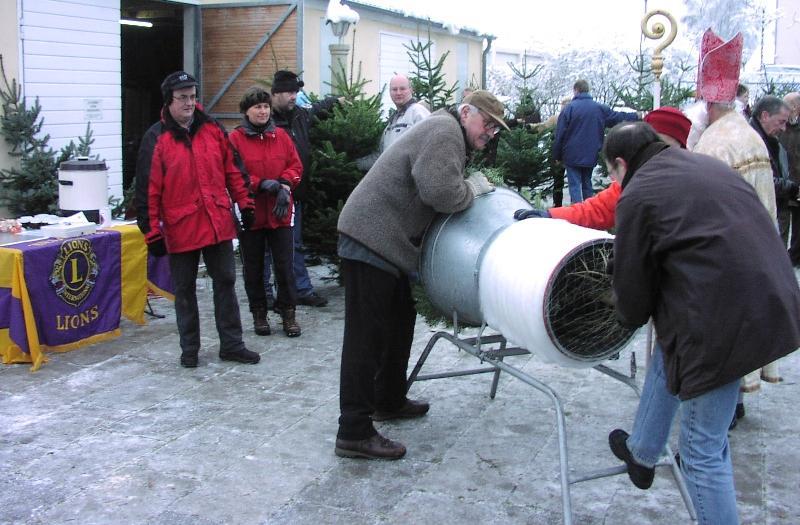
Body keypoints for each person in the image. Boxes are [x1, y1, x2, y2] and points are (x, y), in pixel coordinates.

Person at [603, 121, 800, 525]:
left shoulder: (638, 194)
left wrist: (619, 309)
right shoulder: (704, 166)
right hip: (770, 298)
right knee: (669, 351)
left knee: (701, 449)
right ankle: (642, 452)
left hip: (723, 322)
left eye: (611, 173)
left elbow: (635, 297)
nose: (614, 182)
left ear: (621, 164)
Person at [334, 90, 505, 460]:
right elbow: (441, 193)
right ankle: (353, 430)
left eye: (495, 129)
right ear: (465, 113)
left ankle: (388, 399)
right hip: (371, 237)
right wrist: (473, 188)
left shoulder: (446, 130)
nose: (490, 133)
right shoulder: (445, 130)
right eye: (487, 124)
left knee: (399, 320)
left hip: (385, 242)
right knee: (366, 336)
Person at [135, 71, 260, 368]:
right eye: (183, 98)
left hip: (217, 221)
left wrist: (246, 204)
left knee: (226, 282)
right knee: (185, 290)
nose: (190, 103)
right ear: (169, 101)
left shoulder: (212, 128)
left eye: (192, 96)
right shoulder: (156, 138)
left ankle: (232, 344)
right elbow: (147, 191)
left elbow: (233, 170)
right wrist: (151, 233)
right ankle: (189, 349)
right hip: (182, 228)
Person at [514, 106, 691, 229]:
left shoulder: (690, 184)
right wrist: (551, 215)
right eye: (650, 145)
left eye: (664, 146)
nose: (655, 153)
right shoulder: (630, 183)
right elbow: (596, 210)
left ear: (682, 148)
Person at [229, 86, 303, 338]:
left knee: (285, 265)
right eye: (257, 107)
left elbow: (296, 165)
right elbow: (234, 173)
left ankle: (288, 312)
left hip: (280, 211)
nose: (262, 111)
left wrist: (284, 183)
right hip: (251, 213)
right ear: (246, 111)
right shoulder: (236, 139)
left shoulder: (281, 136)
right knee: (254, 267)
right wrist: (261, 183)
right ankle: (259, 313)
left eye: (265, 106)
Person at [268, 70, 342, 308]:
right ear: (276, 93)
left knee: (295, 244)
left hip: (295, 194)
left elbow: (316, 109)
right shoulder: (266, 119)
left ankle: (300, 288)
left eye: (296, 92)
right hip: (271, 195)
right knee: (267, 248)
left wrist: (336, 101)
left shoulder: (299, 115)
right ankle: (266, 294)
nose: (294, 96)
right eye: (290, 92)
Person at [552, 79, 638, 203]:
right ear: (587, 90)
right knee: (587, 184)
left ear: (575, 90)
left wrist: (557, 155)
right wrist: (636, 116)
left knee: (574, 186)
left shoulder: (568, 109)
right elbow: (617, 117)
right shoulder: (599, 108)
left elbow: (560, 134)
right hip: (590, 153)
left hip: (571, 154)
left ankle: (577, 213)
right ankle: (589, 211)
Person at [750, 95, 799, 247]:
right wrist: (793, 188)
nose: (784, 128)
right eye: (781, 122)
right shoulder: (753, 141)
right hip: (762, 217)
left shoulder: (769, 139)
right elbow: (762, 180)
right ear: (765, 116)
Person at [357, 74, 431, 171]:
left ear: (411, 90)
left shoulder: (418, 112)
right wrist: (356, 164)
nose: (398, 92)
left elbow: (429, 149)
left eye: (402, 88)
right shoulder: (391, 122)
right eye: (394, 89)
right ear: (390, 92)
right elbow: (382, 156)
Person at [779, 91, 800, 266]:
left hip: (798, 183)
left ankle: (795, 258)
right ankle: (782, 260)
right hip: (784, 184)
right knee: (782, 223)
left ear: (796, 107)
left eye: (788, 106)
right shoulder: (782, 127)